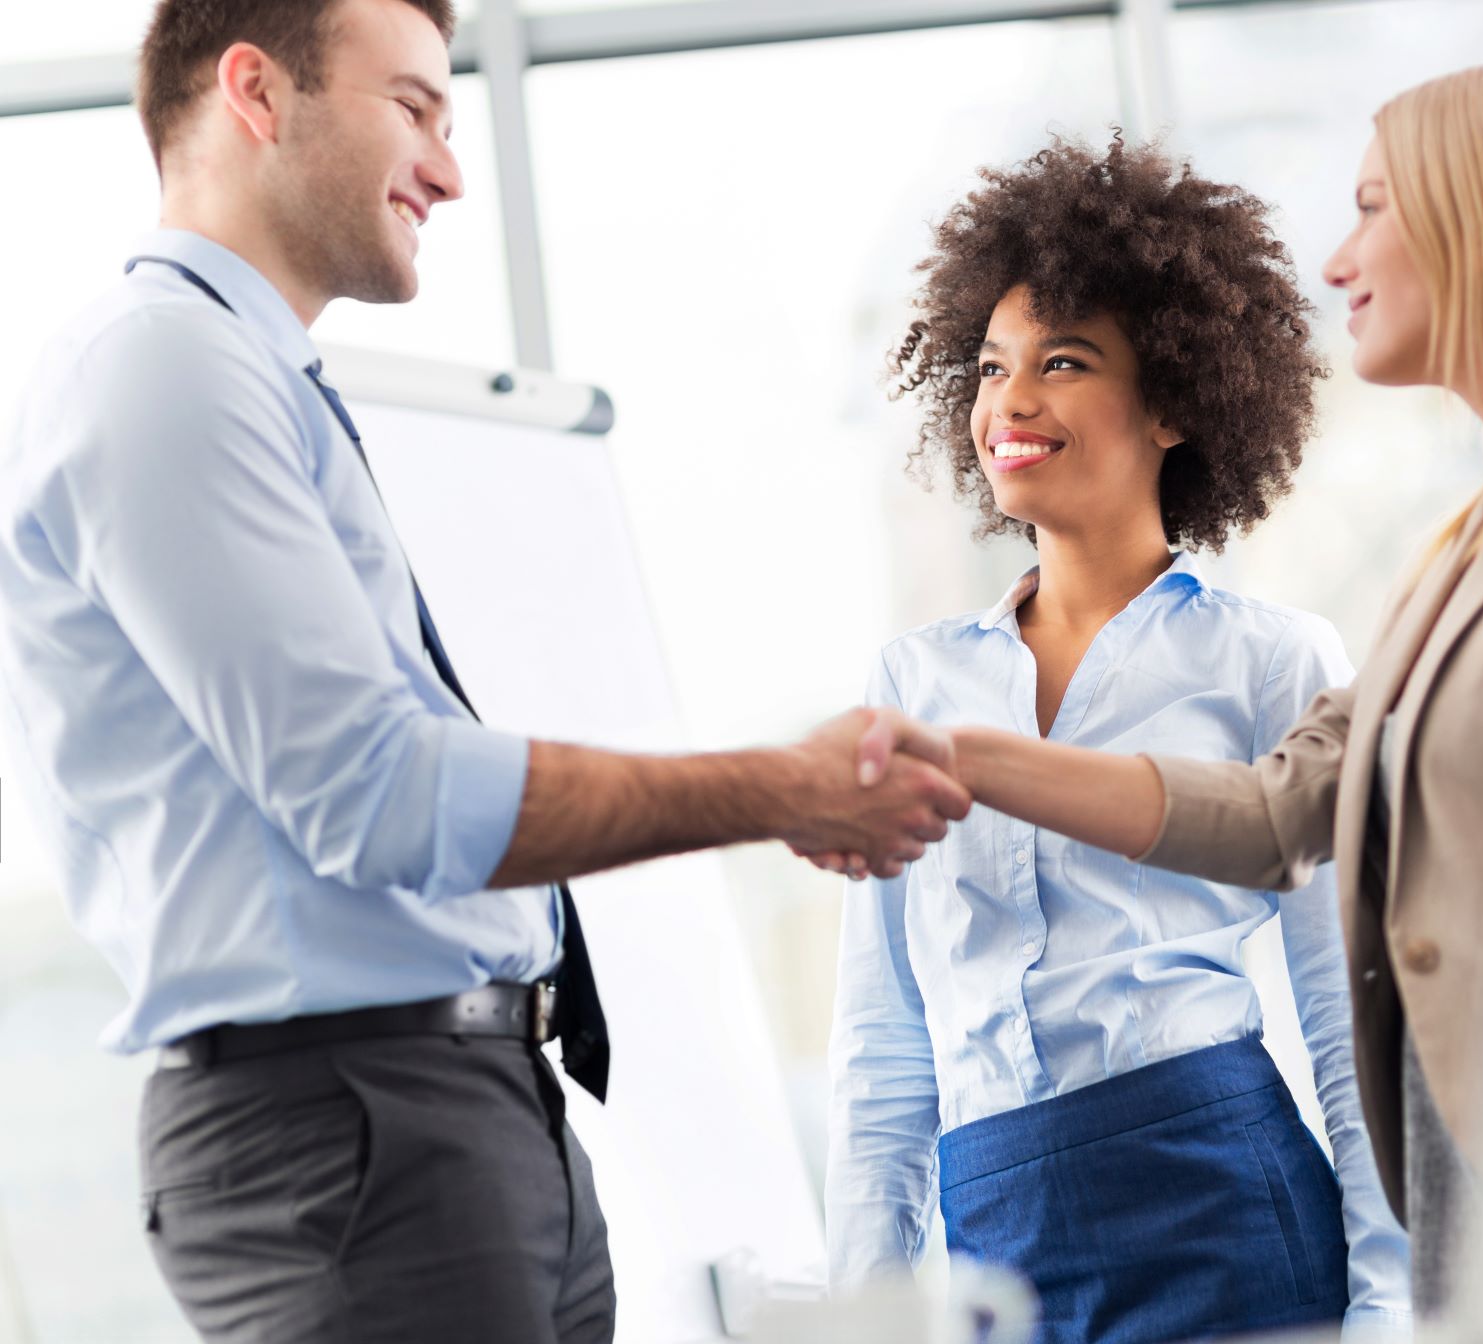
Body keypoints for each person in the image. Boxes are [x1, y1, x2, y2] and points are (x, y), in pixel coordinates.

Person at [0, 2, 965, 1340]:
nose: (448, 169)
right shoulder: (161, 366)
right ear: (257, 95)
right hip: (355, 1124)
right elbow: (377, 795)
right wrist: (779, 788)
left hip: (447, 1110)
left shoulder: (258, 381)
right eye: (413, 108)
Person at [818, 58, 1483, 1316]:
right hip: (1424, 1199)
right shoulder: (1469, 545)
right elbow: (1276, 817)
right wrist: (961, 758)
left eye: (1375, 207)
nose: (1337, 260)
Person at [822, 136, 1410, 1344]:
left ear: (1178, 400)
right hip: (998, 1254)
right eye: (991, 368)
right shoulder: (914, 681)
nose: (1010, 404)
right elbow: (887, 1060)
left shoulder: (1270, 659)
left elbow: (1352, 1022)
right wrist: (864, 1312)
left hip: (1224, 1218)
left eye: (1064, 362)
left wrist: (1387, 1309)